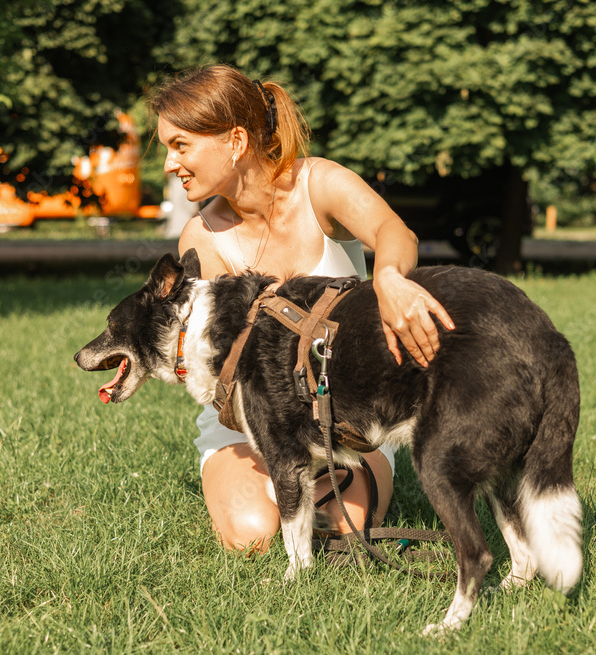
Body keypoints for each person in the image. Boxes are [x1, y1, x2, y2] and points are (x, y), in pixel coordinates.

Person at [149, 64, 454, 553]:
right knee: (253, 535)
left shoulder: (319, 184)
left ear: (236, 140)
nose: (168, 163)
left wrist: (391, 279)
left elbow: (396, 233)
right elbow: (210, 364)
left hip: (349, 415)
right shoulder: (200, 239)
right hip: (253, 424)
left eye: (180, 145)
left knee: (338, 525)